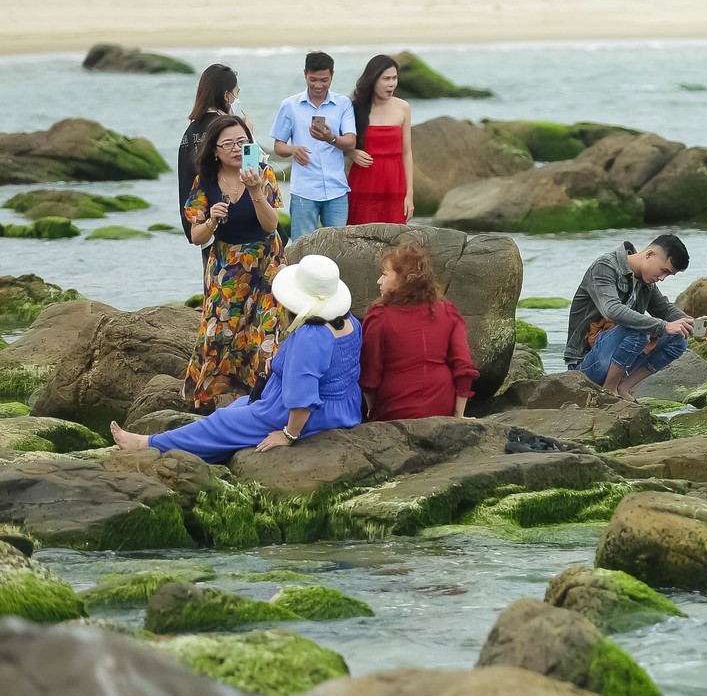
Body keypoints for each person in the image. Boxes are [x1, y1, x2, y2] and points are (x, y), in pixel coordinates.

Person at [111, 255, 363, 462]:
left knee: (223, 420)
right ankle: (207, 454)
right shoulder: (349, 321)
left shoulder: (312, 336)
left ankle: (147, 444)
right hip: (343, 407)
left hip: (302, 415)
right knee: (237, 407)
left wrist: (288, 435)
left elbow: (303, 399)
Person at [180, 115, 285, 407]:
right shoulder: (206, 182)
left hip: (266, 263)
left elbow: (270, 225)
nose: (237, 148)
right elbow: (197, 236)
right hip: (227, 265)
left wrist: (255, 192)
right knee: (219, 331)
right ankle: (212, 395)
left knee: (265, 331)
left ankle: (264, 397)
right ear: (215, 150)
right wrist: (212, 219)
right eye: (228, 144)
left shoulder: (263, 174)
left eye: (242, 142)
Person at [565, 234, 697, 399]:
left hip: (617, 362)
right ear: (649, 254)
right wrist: (662, 326)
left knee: (679, 339)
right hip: (586, 364)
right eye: (664, 271)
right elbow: (612, 310)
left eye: (668, 275)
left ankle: (623, 387)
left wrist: (690, 323)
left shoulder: (645, 280)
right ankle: (609, 390)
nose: (662, 278)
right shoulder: (605, 266)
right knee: (640, 330)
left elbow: (664, 309)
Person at [359, 243, 475, 421]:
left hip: (396, 407)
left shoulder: (379, 316)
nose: (379, 281)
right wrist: (459, 414)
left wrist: (372, 410)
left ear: (406, 278)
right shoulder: (448, 311)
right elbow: (464, 366)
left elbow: (370, 375)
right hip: (442, 404)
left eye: (384, 274)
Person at [271, 51, 358, 235]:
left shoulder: (343, 104)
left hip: (337, 189)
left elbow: (351, 142)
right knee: (303, 246)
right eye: (313, 79)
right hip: (304, 190)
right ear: (305, 74)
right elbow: (278, 147)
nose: (318, 85)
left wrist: (330, 137)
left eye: (324, 80)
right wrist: (293, 149)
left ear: (332, 76)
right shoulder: (290, 105)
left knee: (337, 247)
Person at [177, 63, 245, 242]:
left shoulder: (191, 130)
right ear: (226, 95)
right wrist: (248, 137)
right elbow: (247, 168)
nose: (237, 98)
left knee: (212, 269)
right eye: (236, 93)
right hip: (229, 219)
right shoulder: (225, 128)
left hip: (200, 223)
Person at [345, 53, 415, 224]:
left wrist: (409, 194)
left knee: (395, 243)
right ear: (373, 80)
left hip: (395, 185)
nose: (391, 84)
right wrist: (352, 152)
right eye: (386, 79)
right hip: (363, 184)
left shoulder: (403, 107)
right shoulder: (354, 107)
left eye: (394, 78)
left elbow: (407, 152)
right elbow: (338, 145)